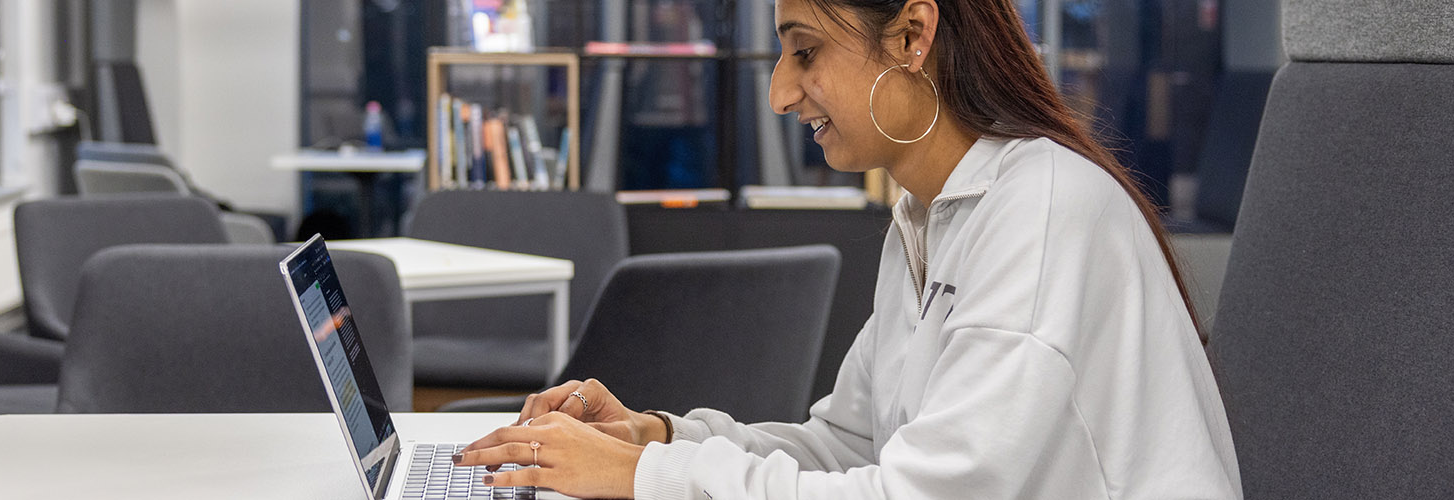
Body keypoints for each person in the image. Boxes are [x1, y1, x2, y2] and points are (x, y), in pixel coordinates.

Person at [455, 0, 1241, 498]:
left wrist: (645, 478)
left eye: (804, 52)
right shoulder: (931, 218)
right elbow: (848, 447)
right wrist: (661, 436)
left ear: (911, 35)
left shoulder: (1038, 214)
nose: (779, 93)